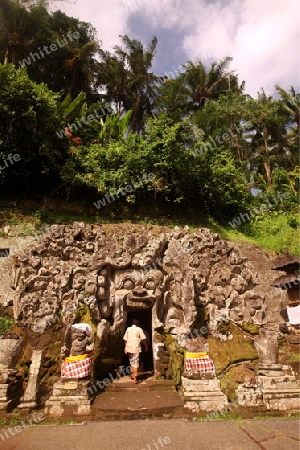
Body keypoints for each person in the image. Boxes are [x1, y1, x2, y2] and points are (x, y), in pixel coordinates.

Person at [123, 319, 148, 384]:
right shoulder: (139, 329)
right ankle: (135, 378)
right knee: (136, 363)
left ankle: (133, 374)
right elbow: (143, 339)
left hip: (129, 348)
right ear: (138, 324)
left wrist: (125, 347)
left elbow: (125, 339)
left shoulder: (128, 329)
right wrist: (145, 346)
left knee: (131, 362)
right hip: (136, 348)